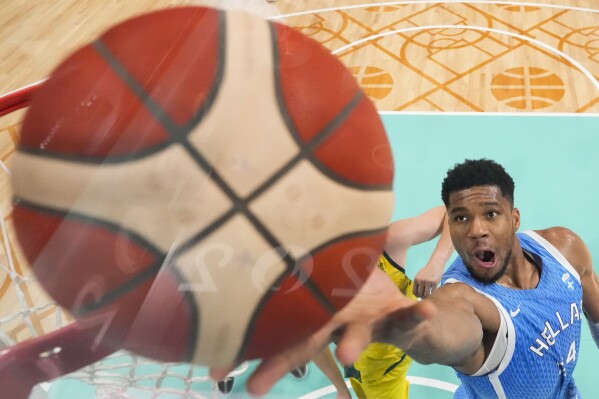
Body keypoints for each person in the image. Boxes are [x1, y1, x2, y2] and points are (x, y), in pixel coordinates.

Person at [218, 158, 599, 398]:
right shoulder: (463, 300)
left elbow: (596, 314)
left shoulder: (563, 248)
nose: (477, 230)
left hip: (384, 369)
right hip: (364, 359)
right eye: (461, 218)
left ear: (514, 218)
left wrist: (434, 263)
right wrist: (384, 323)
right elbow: (436, 331)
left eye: (491, 215)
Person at [310, 205, 453, 399]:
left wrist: (437, 262)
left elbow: (453, 211)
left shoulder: (388, 243)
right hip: (354, 365)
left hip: (387, 366)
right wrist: (341, 388)